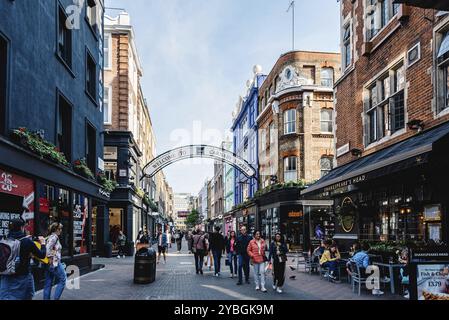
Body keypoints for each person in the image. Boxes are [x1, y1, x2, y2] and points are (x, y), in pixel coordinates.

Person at [0, 219, 47, 300]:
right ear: (21, 227)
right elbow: (42, 255)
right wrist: (43, 243)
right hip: (22, 277)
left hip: (6, 275)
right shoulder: (27, 242)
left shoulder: (5, 239)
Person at [43, 222, 66, 300]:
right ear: (56, 229)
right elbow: (47, 248)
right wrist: (50, 257)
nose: (61, 230)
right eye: (60, 229)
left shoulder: (49, 237)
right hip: (54, 263)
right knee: (63, 279)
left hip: (48, 263)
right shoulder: (54, 237)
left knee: (48, 283)